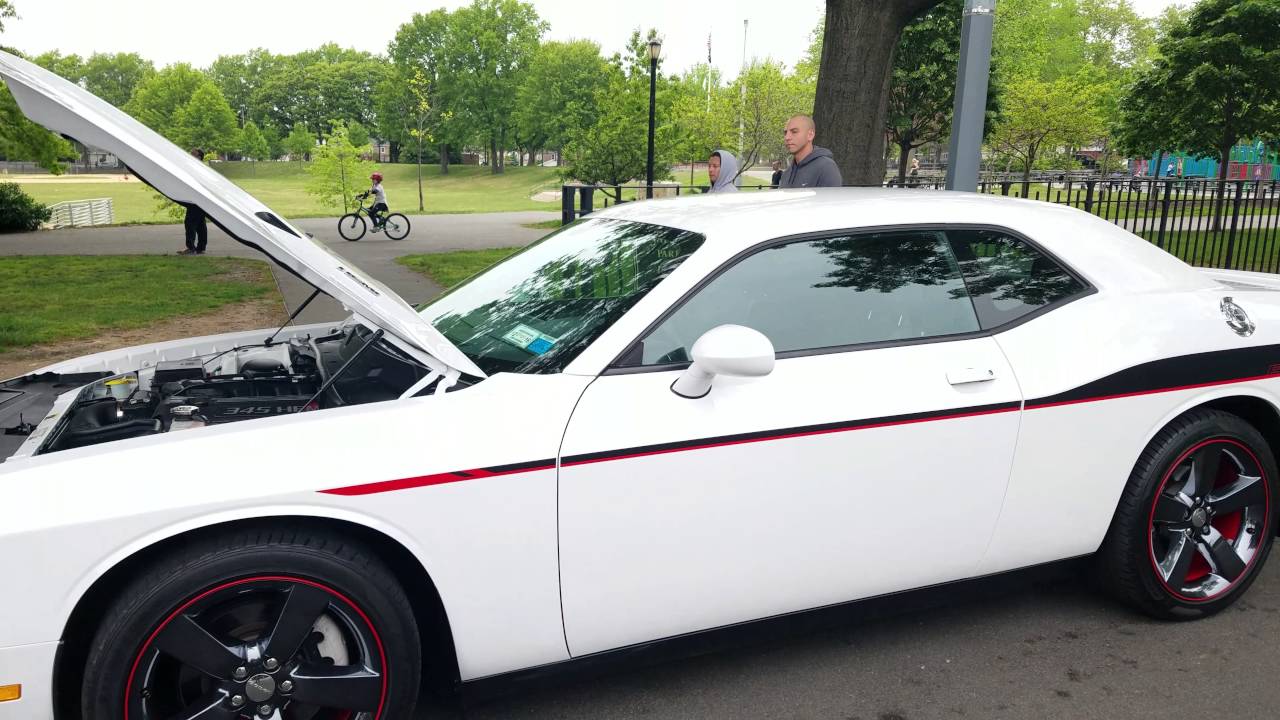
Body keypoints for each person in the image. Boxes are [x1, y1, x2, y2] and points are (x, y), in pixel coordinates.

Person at [779, 115, 843, 188]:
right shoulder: (786, 174)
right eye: (785, 133)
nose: (787, 137)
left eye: (794, 132)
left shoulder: (826, 168)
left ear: (810, 135)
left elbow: (831, 198)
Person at [178, 149, 207, 255]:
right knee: (200, 224)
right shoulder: (203, 168)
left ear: (199, 157)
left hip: (195, 199)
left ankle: (191, 248)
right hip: (202, 200)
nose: (190, 156)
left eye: (193, 154)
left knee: (190, 223)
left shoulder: (197, 169)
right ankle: (201, 248)